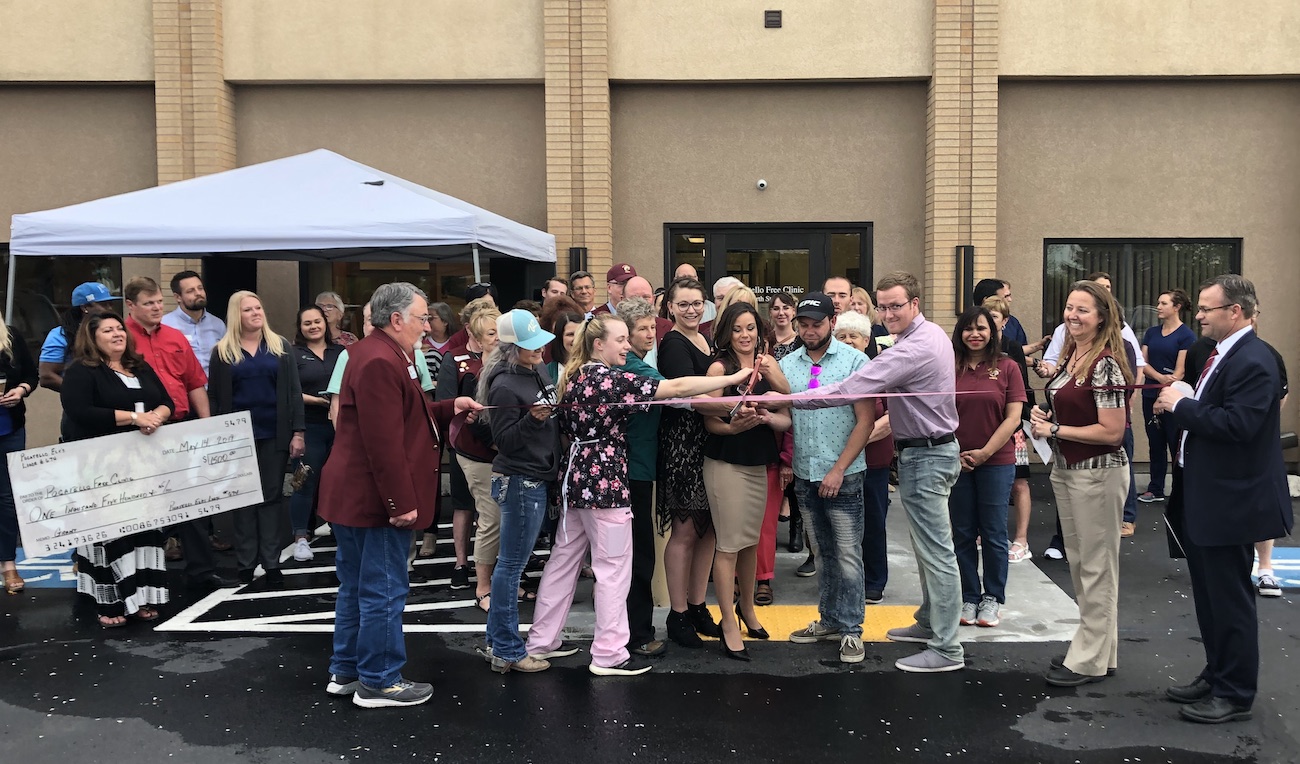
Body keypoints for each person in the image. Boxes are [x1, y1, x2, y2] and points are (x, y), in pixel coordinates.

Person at [525, 314, 753, 676]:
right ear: (599, 344)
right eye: (621, 340)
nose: (628, 346)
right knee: (614, 570)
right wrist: (734, 377)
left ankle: (541, 641)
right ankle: (609, 653)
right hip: (606, 483)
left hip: (574, 482)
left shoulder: (573, 375)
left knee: (562, 564)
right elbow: (675, 389)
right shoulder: (607, 379)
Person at [788, 273, 965, 674]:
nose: (887, 313)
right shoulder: (927, 334)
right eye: (882, 306)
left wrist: (791, 397)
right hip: (926, 451)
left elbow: (851, 389)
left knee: (937, 553)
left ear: (915, 304)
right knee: (927, 549)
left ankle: (947, 648)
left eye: (895, 306)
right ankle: (929, 623)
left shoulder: (912, 348)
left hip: (927, 454)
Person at [318, 282, 478, 708]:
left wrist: (450, 406)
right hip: (373, 500)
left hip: (356, 495)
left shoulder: (378, 353)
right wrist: (399, 503)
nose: (428, 326)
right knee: (383, 588)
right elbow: (382, 441)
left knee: (356, 586)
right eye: (422, 318)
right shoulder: (379, 361)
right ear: (397, 320)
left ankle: (349, 669)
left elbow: (404, 415)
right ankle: (379, 679)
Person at [1154, 275, 1292, 724]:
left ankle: (1234, 693)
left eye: (1207, 309)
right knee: (1212, 597)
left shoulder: (1255, 359)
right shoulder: (1222, 355)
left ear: (1235, 312)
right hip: (1209, 495)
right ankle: (1217, 674)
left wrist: (1181, 405)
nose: (1199, 315)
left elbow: (1239, 426)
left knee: (1230, 600)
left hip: (1233, 500)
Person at [1029, 280, 1131, 687]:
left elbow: (1112, 432)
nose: (1072, 315)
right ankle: (1099, 651)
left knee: (1096, 567)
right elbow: (1069, 411)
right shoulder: (1074, 355)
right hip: (1069, 470)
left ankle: (1089, 658)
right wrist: (1045, 419)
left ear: (1102, 316)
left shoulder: (1104, 362)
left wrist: (1055, 427)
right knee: (1083, 563)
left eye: (1083, 310)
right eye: (1070, 308)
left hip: (1098, 472)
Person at [61, 312, 173, 627]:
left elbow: (166, 401)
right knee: (111, 536)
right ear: (92, 338)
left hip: (144, 464)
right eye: (108, 330)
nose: (116, 333)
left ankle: (142, 599)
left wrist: (157, 417)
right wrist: (135, 418)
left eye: (119, 328)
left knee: (144, 533)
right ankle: (111, 604)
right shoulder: (82, 371)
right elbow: (80, 411)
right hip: (102, 467)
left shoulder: (140, 366)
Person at [779, 293, 873, 664]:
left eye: (816, 323)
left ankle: (852, 630)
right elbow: (789, 418)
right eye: (803, 324)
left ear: (832, 322)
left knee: (849, 555)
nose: (808, 330)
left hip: (844, 475)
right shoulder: (789, 365)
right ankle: (830, 619)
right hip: (806, 472)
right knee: (822, 553)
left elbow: (865, 420)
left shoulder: (855, 361)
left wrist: (838, 470)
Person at [122, 276, 227, 585]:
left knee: (191, 501)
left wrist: (206, 425)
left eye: (158, 302)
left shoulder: (175, 337)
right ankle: (145, 575)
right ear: (131, 306)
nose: (156, 308)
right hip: (138, 430)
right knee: (144, 505)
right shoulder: (120, 337)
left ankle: (202, 571)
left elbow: (195, 382)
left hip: (180, 425)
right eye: (148, 303)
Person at [702, 302, 791, 657]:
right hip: (726, 462)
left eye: (751, 328)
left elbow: (788, 413)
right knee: (728, 545)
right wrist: (732, 423)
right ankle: (727, 622)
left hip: (760, 463)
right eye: (737, 329)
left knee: (752, 542)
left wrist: (768, 415)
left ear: (760, 331)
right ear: (727, 332)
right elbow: (706, 417)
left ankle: (748, 609)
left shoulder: (767, 366)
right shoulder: (719, 368)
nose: (744, 335)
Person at [476, 309, 560, 674]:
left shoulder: (534, 370)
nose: (538, 351)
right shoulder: (505, 384)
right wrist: (533, 419)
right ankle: (508, 648)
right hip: (521, 479)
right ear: (512, 349)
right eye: (530, 347)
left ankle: (499, 644)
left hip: (534, 476)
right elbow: (504, 442)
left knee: (510, 565)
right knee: (510, 566)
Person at [208, 291, 306, 587]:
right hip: (237, 436)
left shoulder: (281, 347)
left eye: (258, 307)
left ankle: (271, 561)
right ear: (237, 315)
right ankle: (246, 562)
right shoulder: (222, 351)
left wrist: (298, 432)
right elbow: (214, 396)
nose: (255, 313)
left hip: (274, 432)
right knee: (243, 500)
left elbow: (293, 392)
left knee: (271, 497)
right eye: (248, 309)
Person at [657, 277, 723, 648]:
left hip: (708, 439)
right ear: (671, 308)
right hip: (683, 443)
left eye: (697, 303)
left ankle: (698, 606)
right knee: (685, 529)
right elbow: (686, 392)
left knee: (709, 528)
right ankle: (677, 612)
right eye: (683, 304)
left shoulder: (706, 339)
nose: (692, 309)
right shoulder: (673, 344)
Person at [949, 306, 1025, 629]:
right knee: (962, 532)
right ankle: (969, 595)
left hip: (996, 461)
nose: (975, 334)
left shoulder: (1007, 367)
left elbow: (1013, 418)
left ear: (993, 332)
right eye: (969, 328)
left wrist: (984, 453)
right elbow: (938, 412)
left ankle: (993, 597)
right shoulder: (949, 368)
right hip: (956, 460)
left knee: (994, 532)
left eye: (982, 328)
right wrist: (958, 453)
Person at [613, 297, 668, 657]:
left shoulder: (635, 363)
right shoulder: (635, 369)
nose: (650, 334)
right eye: (642, 329)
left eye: (652, 327)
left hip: (636, 469)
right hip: (635, 472)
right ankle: (638, 635)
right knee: (638, 556)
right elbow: (673, 389)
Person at [436, 303, 502, 601]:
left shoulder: (507, 364)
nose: (497, 337)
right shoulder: (461, 361)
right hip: (469, 447)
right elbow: (449, 403)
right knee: (471, 507)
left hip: (499, 452)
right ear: (476, 334)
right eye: (491, 332)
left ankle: (496, 569)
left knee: (497, 514)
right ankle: (468, 569)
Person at [832, 310, 894, 604]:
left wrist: (854, 444)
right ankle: (845, 580)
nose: (847, 342)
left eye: (853, 336)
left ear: (867, 340)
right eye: (841, 336)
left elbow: (890, 418)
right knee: (842, 525)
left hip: (873, 460)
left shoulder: (880, 370)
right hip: (837, 462)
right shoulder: (833, 372)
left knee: (873, 520)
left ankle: (874, 580)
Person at [982, 297, 1035, 564]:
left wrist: (1027, 422)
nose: (990, 322)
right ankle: (988, 533)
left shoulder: (1013, 348)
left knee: (1019, 481)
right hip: (983, 425)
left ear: (1005, 320)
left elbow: (1022, 389)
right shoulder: (974, 348)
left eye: (995, 316)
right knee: (987, 481)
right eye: (986, 316)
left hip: (1013, 426)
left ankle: (1022, 538)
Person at [289, 305, 343, 561]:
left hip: (339, 426)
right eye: (307, 323)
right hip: (308, 426)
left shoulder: (341, 352)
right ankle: (301, 536)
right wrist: (322, 402)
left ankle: (339, 529)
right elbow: (289, 392)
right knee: (305, 481)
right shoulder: (293, 354)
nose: (313, 326)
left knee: (338, 481)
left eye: (317, 321)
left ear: (325, 323)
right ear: (300, 328)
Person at [1138, 289, 1195, 504]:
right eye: (1158, 303)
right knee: (1155, 442)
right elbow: (1142, 363)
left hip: (1172, 398)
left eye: (1163, 303)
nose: (1158, 307)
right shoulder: (1151, 333)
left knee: (1175, 442)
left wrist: (1165, 390)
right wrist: (1158, 378)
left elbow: (1179, 372)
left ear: (1176, 307)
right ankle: (1156, 488)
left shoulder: (1186, 335)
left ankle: (1181, 489)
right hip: (1149, 394)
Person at [0, 311, 38, 595]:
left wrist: (21, 390)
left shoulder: (10, 336)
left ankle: (8, 563)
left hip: (9, 428)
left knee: (6, 497)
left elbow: (31, 374)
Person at [39, 281, 121, 392]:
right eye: (104, 304)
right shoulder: (60, 335)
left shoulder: (116, 332)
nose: (109, 308)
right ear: (85, 307)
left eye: (110, 304)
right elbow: (46, 376)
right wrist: (81, 393)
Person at [162, 270, 226, 378]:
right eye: (190, 291)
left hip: (214, 390)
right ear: (178, 297)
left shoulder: (218, 324)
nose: (198, 293)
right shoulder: (165, 324)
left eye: (200, 288)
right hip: (183, 390)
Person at [421, 301, 457, 386]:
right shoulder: (420, 343)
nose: (427, 322)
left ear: (445, 321)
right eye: (424, 319)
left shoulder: (456, 343)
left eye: (431, 318)